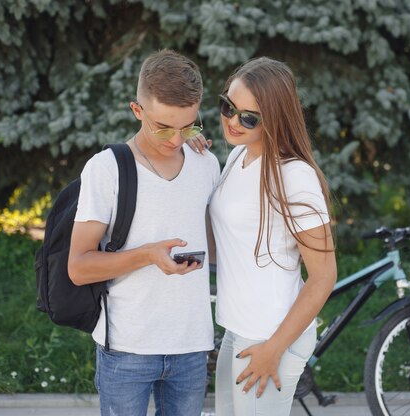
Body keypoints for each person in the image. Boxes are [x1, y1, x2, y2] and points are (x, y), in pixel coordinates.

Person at [67, 49, 220, 416]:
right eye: (163, 127)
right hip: (127, 348)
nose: (175, 139)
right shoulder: (106, 169)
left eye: (189, 126)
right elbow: (79, 267)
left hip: (192, 345)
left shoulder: (206, 163)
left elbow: (216, 246)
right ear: (137, 111)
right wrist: (148, 256)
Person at [209, 57, 337, 415]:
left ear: (275, 118)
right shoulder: (237, 157)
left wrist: (275, 348)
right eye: (228, 107)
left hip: (270, 334)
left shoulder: (294, 177)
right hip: (239, 327)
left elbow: (324, 276)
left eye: (248, 117)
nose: (233, 121)